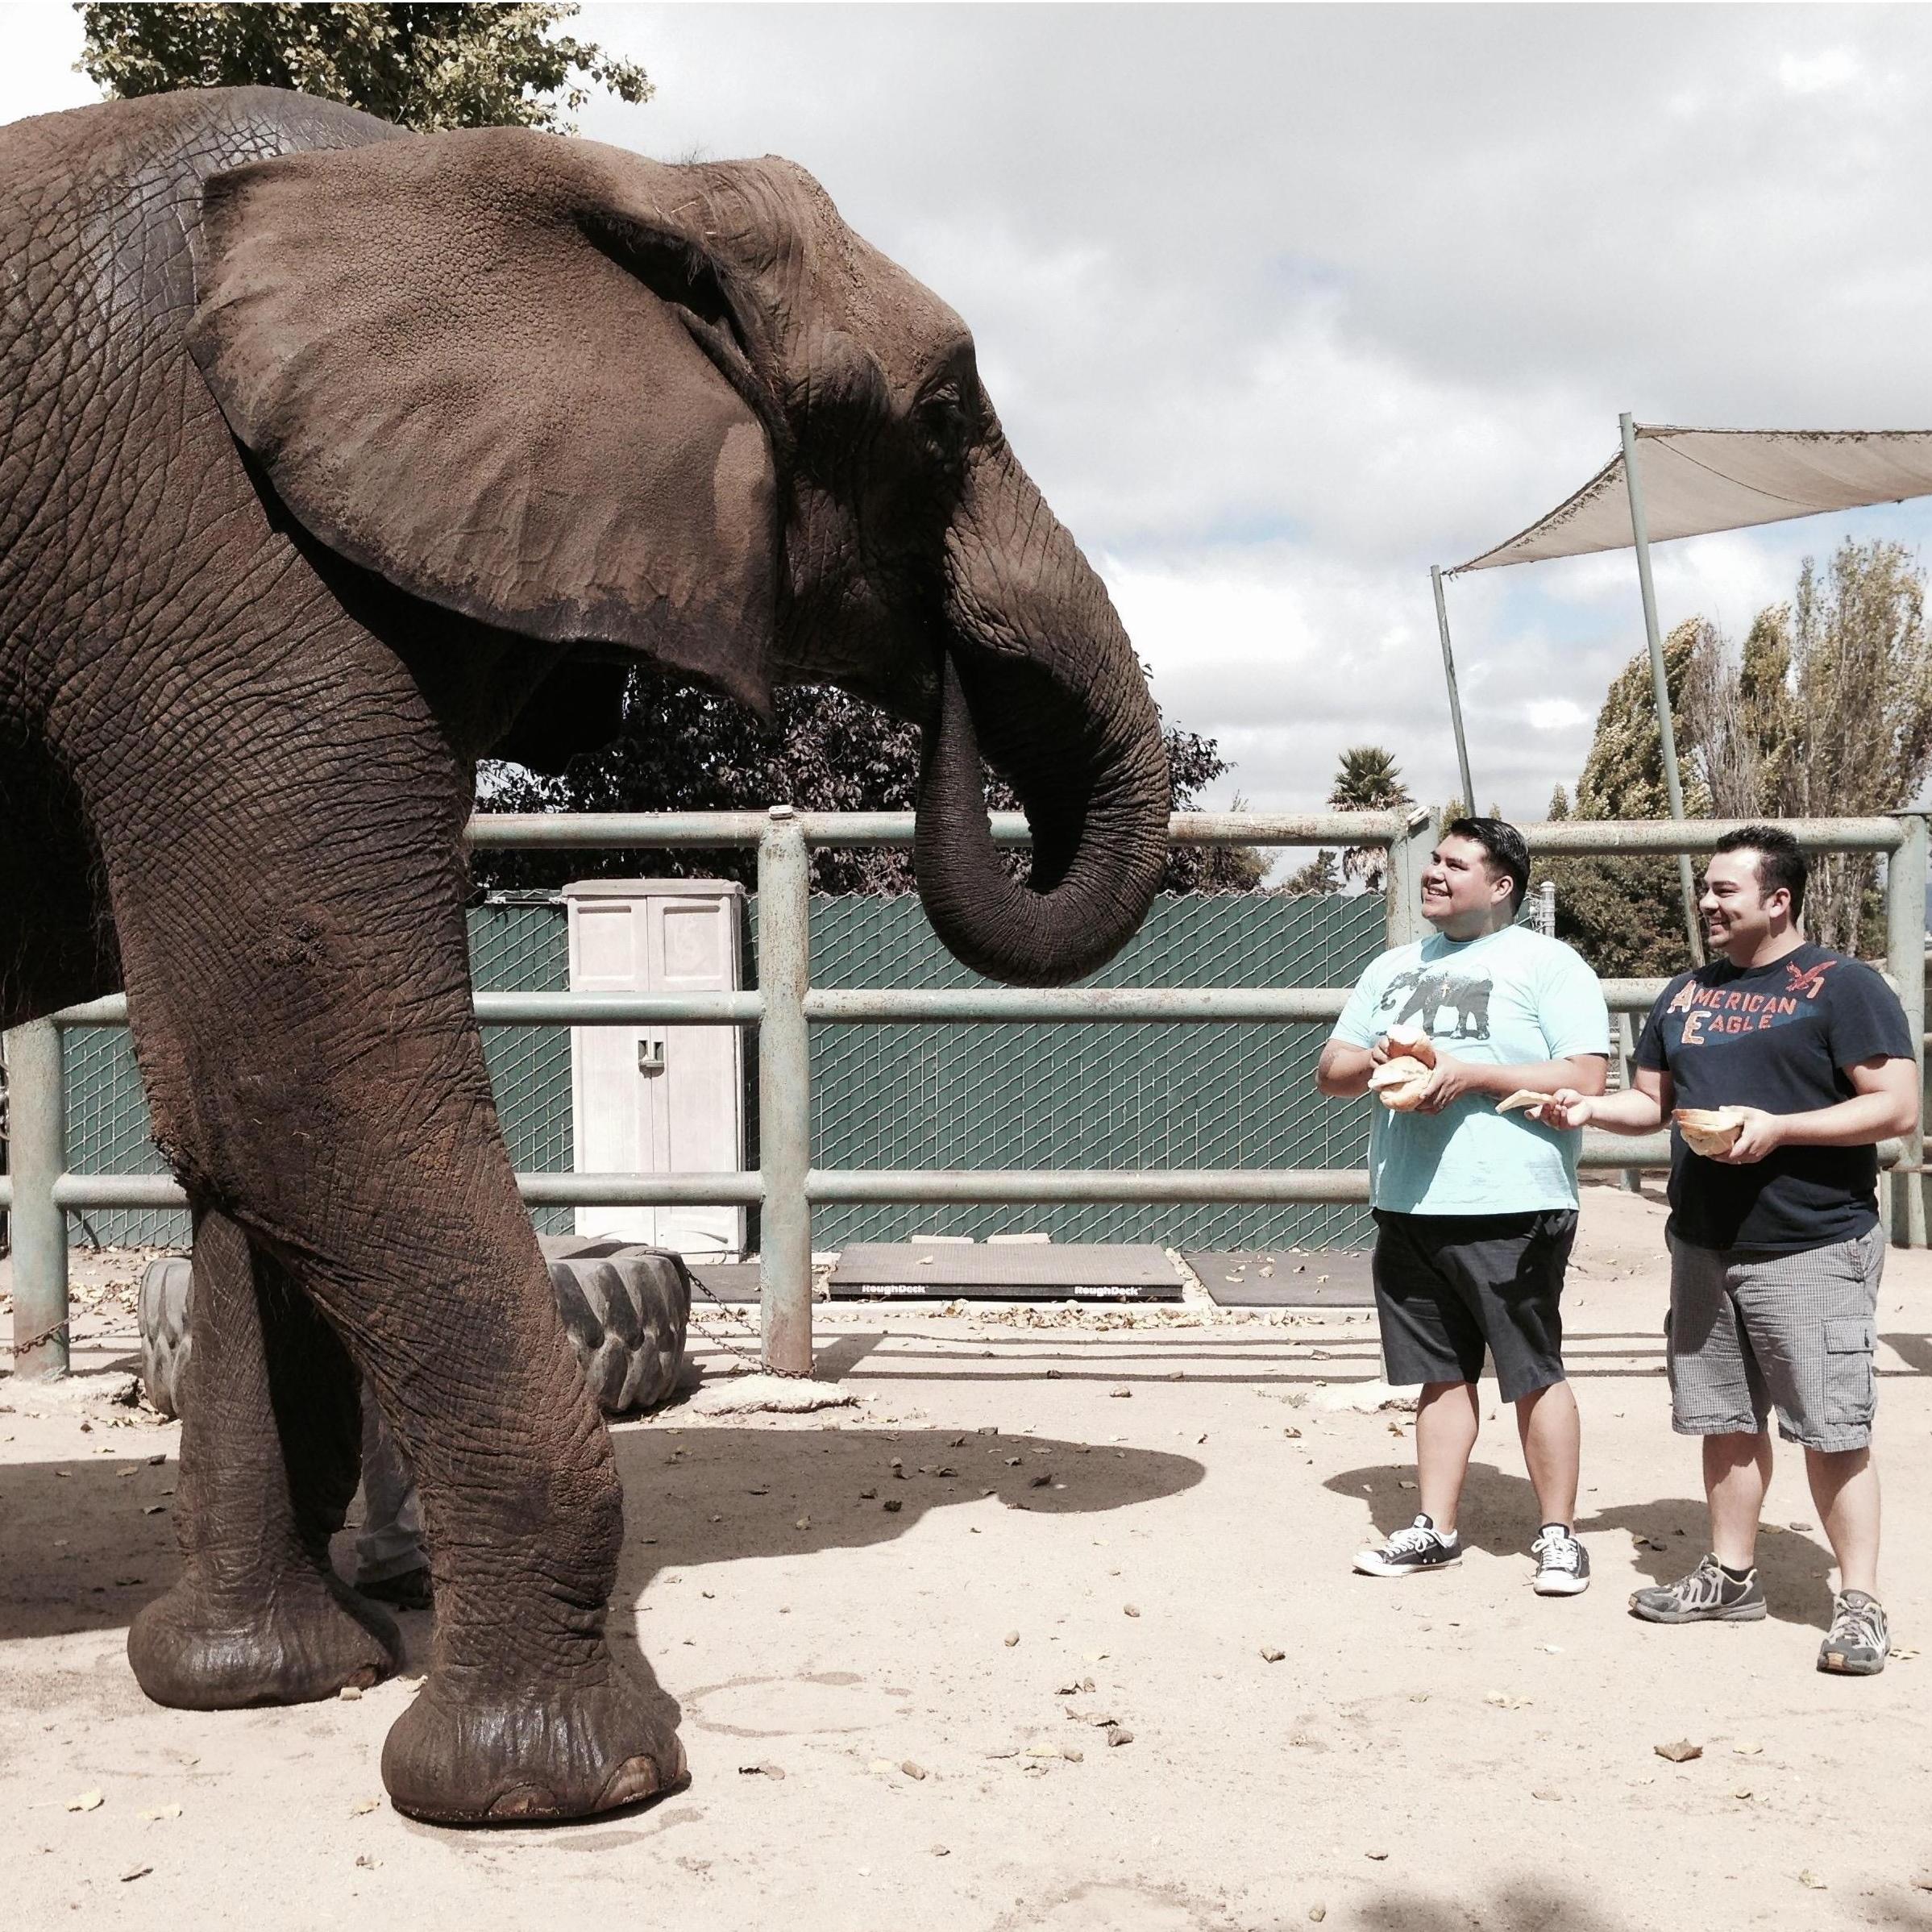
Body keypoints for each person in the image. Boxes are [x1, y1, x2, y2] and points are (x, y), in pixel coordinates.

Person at [1536, 825, 1917, 1673]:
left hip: (1811, 1243)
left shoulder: (1843, 986)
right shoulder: (1685, 993)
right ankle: (1731, 1576)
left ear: (1778, 900)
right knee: (1725, 1421)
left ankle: (1859, 1603)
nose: (1708, 902)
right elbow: (1652, 1106)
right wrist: (1587, 1112)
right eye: (1706, 889)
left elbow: (1895, 1106)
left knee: (1832, 1428)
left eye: (1725, 891)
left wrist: (1781, 1128)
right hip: (1704, 1242)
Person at [1318, 817, 1610, 1594]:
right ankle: (1435, 1528)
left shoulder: (1548, 963)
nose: (1434, 873)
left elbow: (1584, 1077)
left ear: (1501, 884)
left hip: (1512, 1202)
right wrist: (1378, 1058)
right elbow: (1331, 1069)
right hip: (1408, 1202)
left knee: (1531, 1370)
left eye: (1454, 864)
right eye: (1432, 861)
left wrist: (1470, 1075)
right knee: (1439, 1376)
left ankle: (1558, 1535)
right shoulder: (1392, 966)